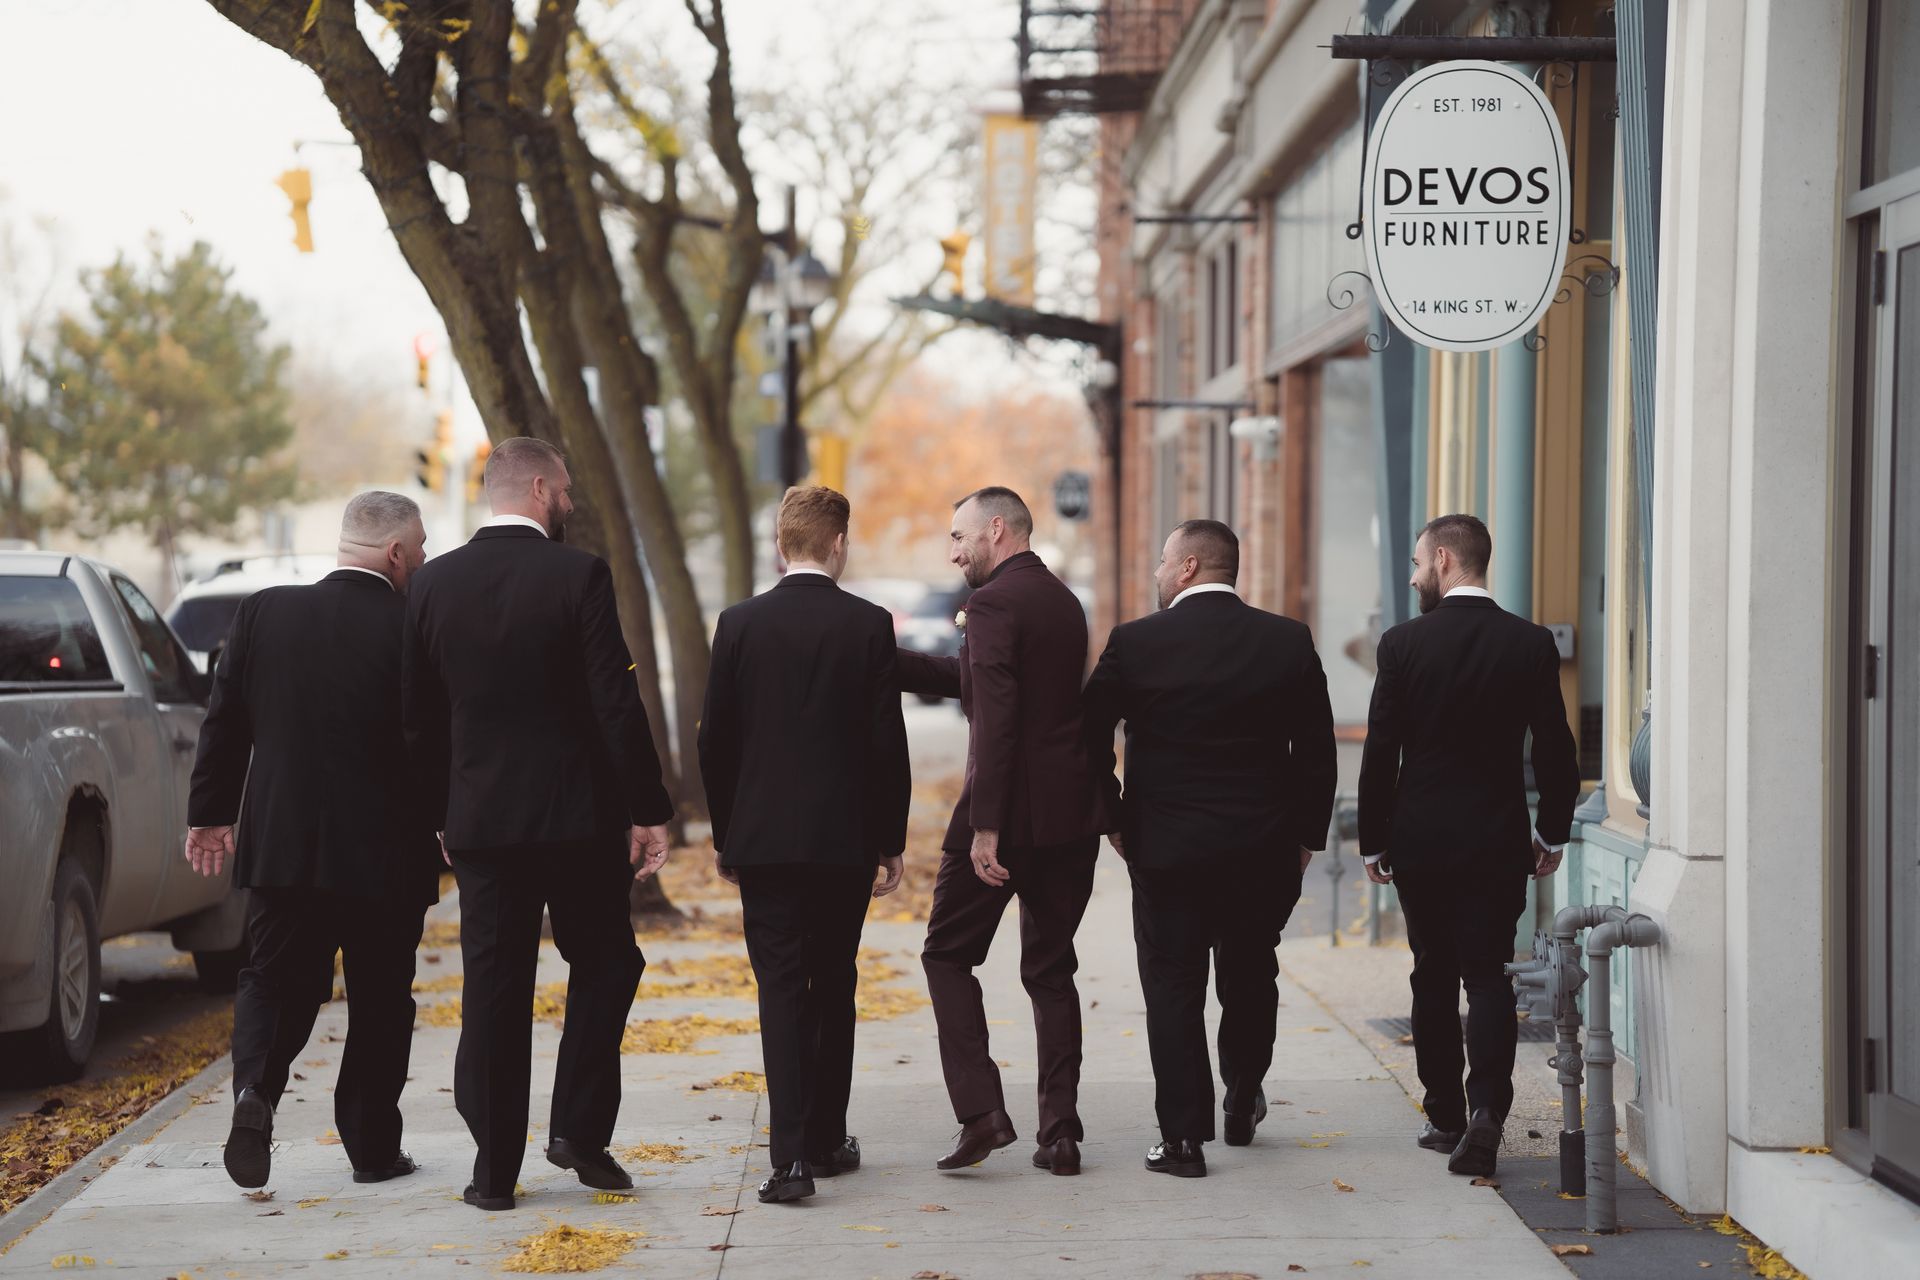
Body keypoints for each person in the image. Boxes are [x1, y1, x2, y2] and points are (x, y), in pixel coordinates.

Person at [402, 436, 674, 1212]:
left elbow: (415, 721)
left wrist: (440, 816)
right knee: (608, 964)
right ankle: (578, 1133)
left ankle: (493, 1173)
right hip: (576, 821)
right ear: (543, 487)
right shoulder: (578, 573)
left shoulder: (432, 585)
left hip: (481, 824)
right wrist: (648, 808)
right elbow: (612, 702)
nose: (572, 503)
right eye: (567, 491)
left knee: (494, 985)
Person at [185, 492, 438, 1190]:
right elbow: (431, 739)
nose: (423, 560)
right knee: (382, 998)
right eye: (420, 548)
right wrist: (449, 820)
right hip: (387, 853)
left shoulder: (265, 611)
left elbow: (224, 721)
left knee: (272, 980)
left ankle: (254, 1094)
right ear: (394, 554)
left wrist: (209, 813)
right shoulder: (414, 622)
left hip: (284, 844)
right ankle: (372, 1149)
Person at [1080, 520, 1337, 1179]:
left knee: (1173, 986)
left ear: (1189, 566)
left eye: (1164, 561)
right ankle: (1244, 1091)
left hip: (1166, 848)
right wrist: (1307, 835)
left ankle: (1183, 1139)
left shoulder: (1136, 643)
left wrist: (1112, 814)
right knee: (1251, 975)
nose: (1158, 573)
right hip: (1262, 848)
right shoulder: (1286, 641)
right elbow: (1316, 749)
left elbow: (1084, 738)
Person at [698, 486, 912, 1205]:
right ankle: (825, 1137)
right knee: (835, 981)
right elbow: (888, 742)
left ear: (780, 545)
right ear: (838, 544)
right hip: (844, 841)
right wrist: (890, 839)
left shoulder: (738, 624)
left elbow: (714, 742)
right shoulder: (869, 625)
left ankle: (789, 1159)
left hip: (763, 842)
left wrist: (728, 833)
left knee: (782, 990)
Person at [895, 486, 1110, 1176]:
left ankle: (983, 1112)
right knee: (1051, 972)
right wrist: (885, 660)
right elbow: (985, 684)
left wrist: (986, 827)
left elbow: (997, 721)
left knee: (946, 956)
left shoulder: (990, 603)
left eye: (959, 537)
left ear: (996, 529)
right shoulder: (1060, 600)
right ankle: (1062, 1132)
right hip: (1069, 818)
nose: (952, 551)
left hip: (1007, 819)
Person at [1357, 513, 1580, 1179]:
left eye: (1420, 561)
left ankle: (1445, 1115)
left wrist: (1373, 841)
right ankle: (1487, 1114)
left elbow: (1380, 753)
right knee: (1487, 976)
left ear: (1447, 561)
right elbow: (1556, 748)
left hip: (1420, 837)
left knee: (1431, 973)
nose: (1414, 574)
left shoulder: (1402, 645)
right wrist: (1552, 831)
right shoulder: (1529, 642)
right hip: (1495, 836)